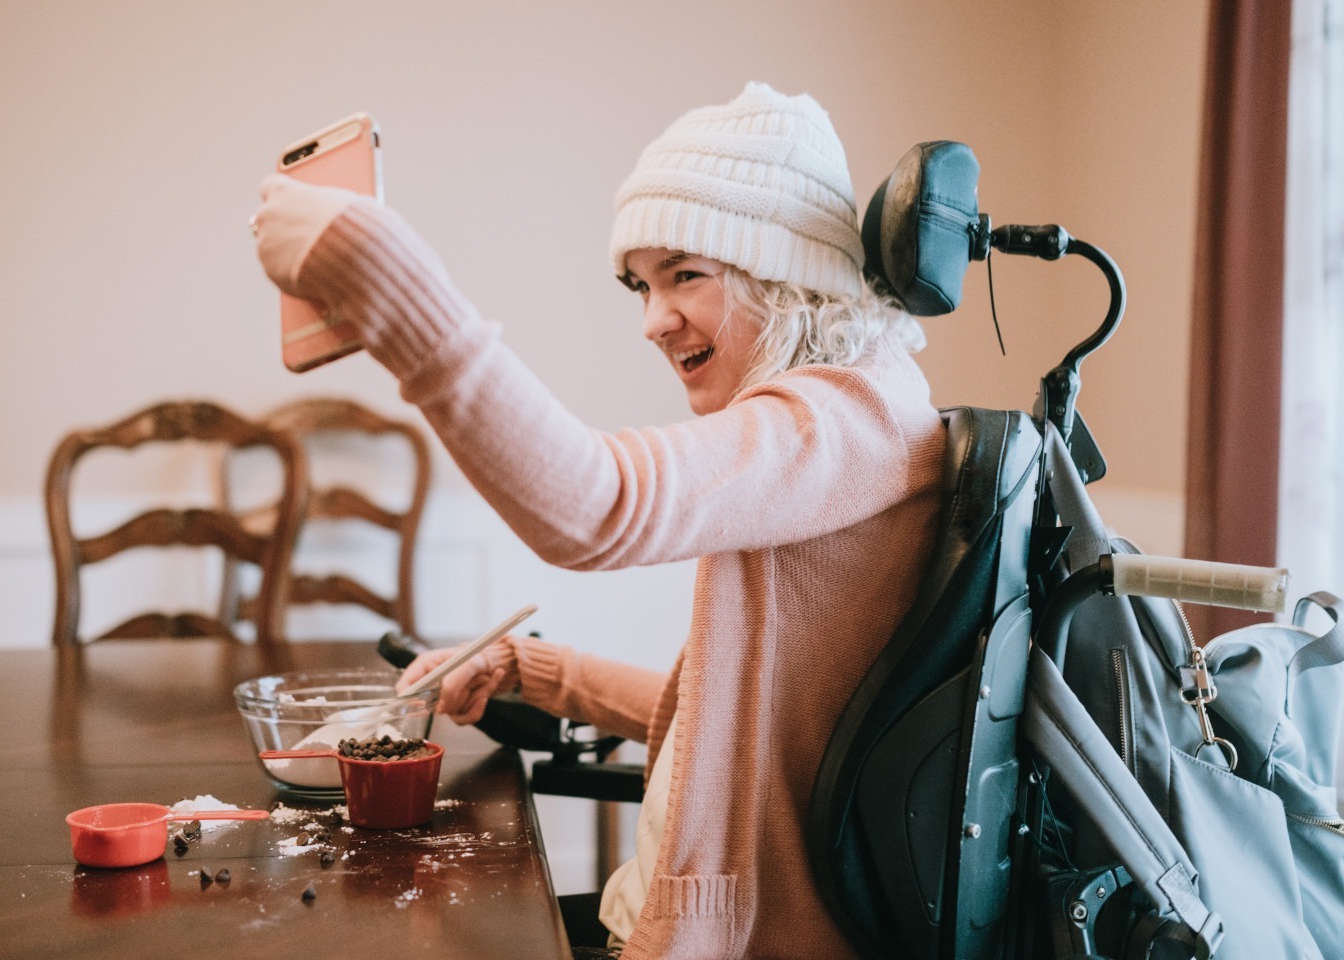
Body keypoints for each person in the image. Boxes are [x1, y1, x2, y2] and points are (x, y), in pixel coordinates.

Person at [252, 81, 946, 960]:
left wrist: (378, 271)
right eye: (640, 286)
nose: (653, 321)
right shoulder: (854, 426)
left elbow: (598, 507)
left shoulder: (846, 419)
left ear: (785, 268)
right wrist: (539, 673)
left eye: (685, 274)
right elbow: (727, 727)